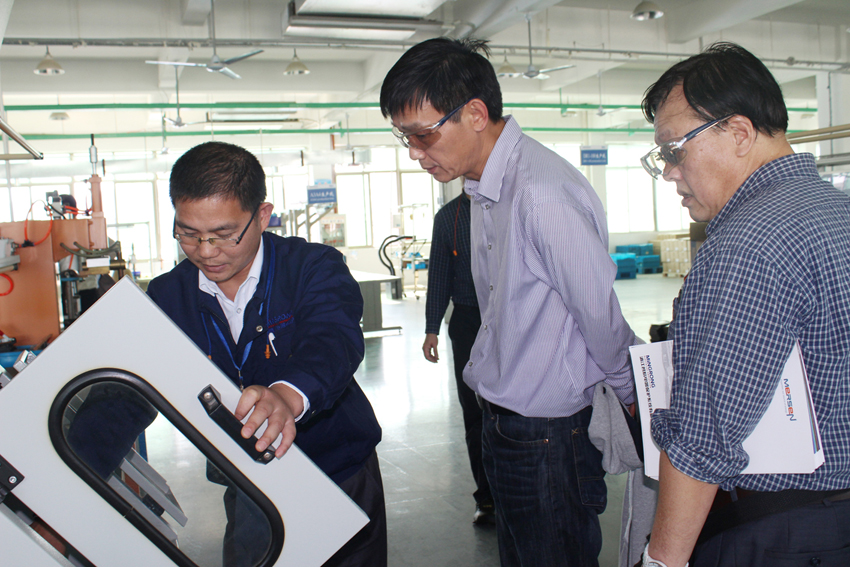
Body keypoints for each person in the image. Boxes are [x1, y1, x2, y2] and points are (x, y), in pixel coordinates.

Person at [381, 38, 638, 567]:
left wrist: (633, 393)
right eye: (404, 137)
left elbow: (598, 313)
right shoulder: (482, 190)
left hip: (548, 436)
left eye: (423, 135)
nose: (414, 153)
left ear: (475, 114)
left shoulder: (540, 193)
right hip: (506, 422)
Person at [638, 42, 850, 567]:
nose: (669, 172)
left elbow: (703, 438)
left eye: (674, 150)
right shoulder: (837, 210)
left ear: (738, 133)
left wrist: (662, 562)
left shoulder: (747, 244)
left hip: (781, 531)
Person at [147, 141, 386, 567]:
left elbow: (334, 338)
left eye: (224, 235)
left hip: (338, 470)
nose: (206, 251)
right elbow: (133, 387)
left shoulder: (311, 267)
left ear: (261, 215)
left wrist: (286, 396)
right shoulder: (169, 295)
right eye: (188, 233)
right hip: (248, 482)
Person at [422, 191, 494, 525]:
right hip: (467, 321)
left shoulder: (509, 204)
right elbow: (439, 275)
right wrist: (431, 328)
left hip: (510, 317)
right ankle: (486, 497)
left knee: (515, 409)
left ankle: (517, 489)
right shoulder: (449, 218)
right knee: (475, 412)